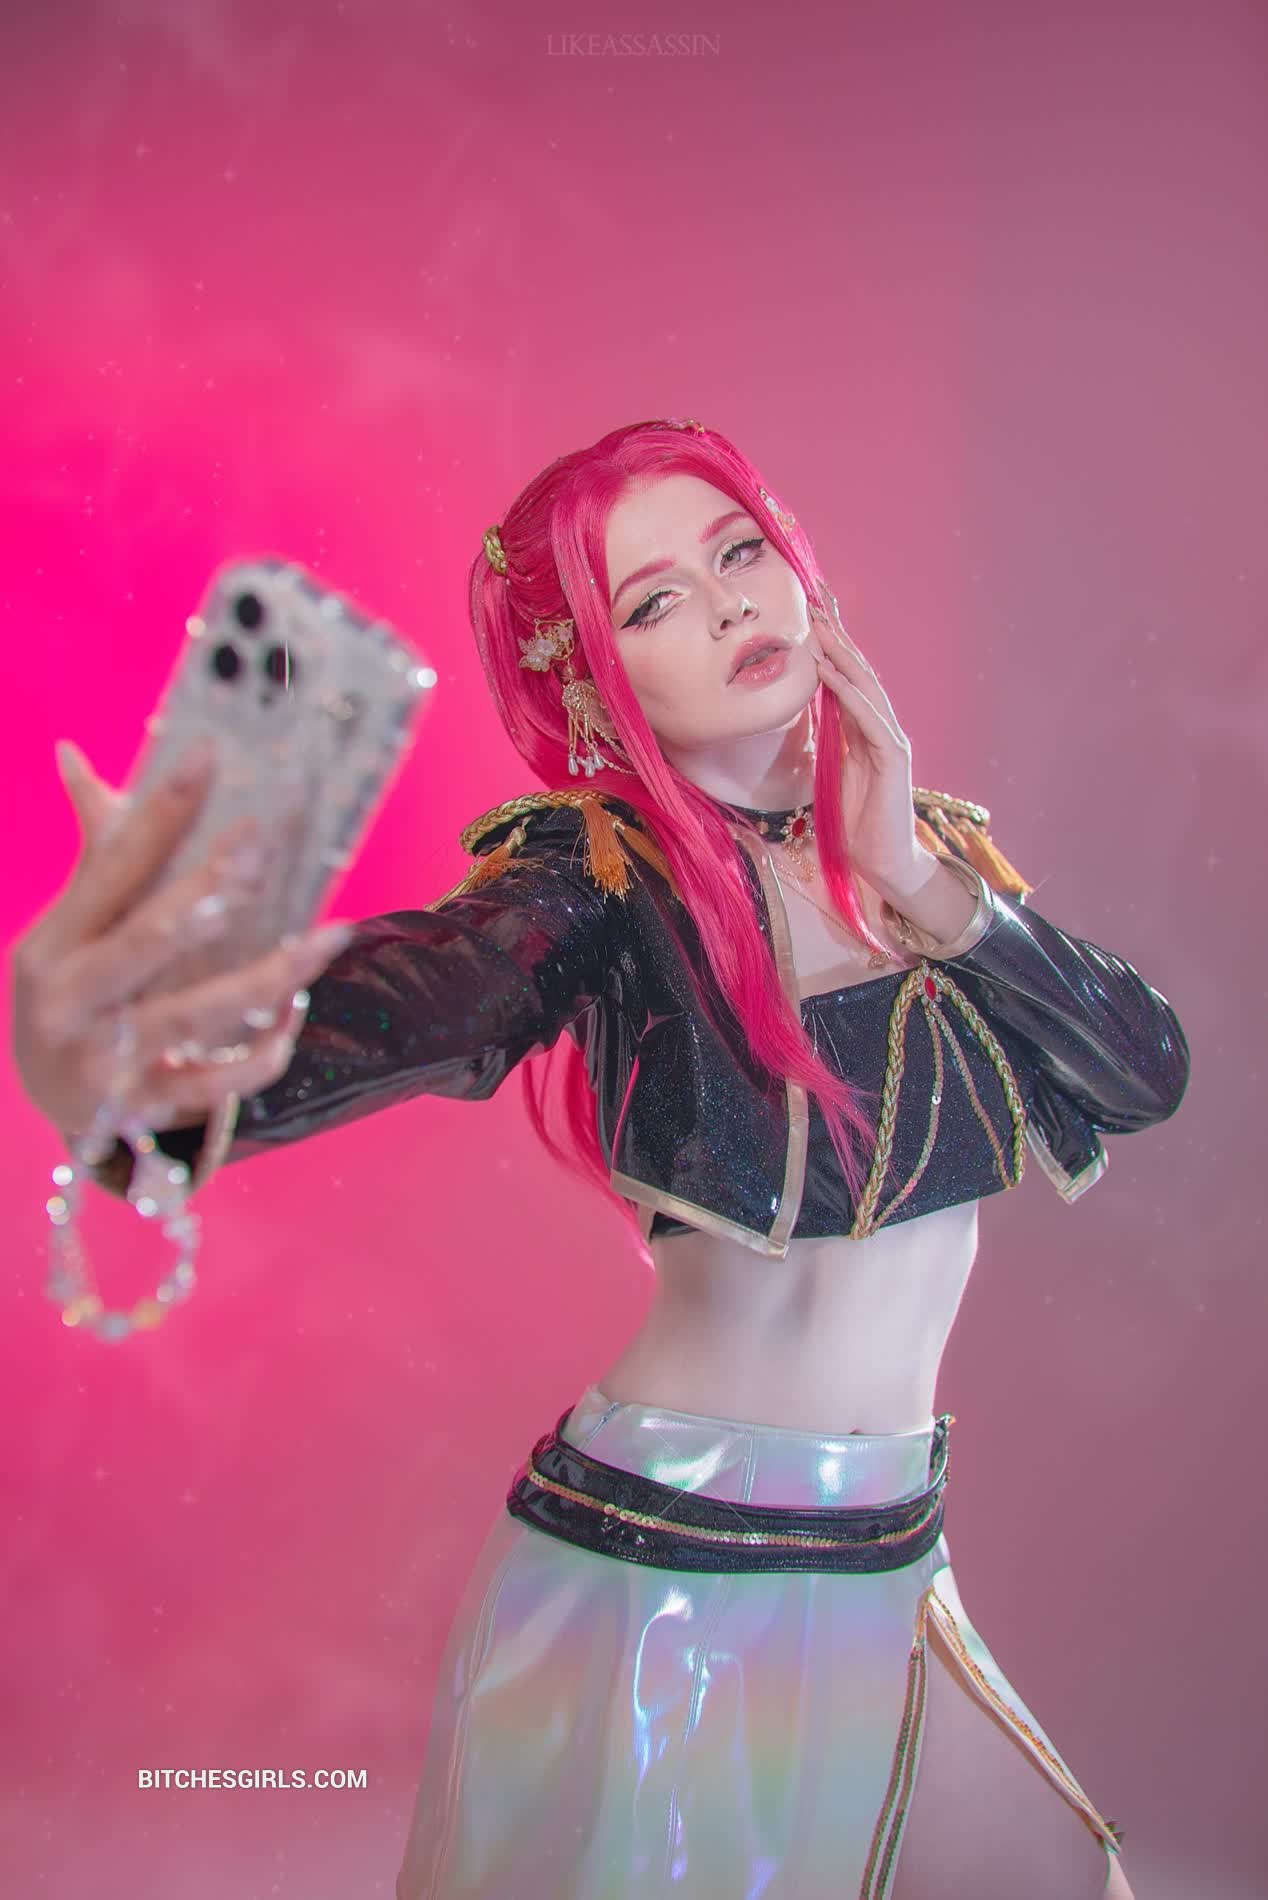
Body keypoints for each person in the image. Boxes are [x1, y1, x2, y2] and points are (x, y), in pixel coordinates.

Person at [11, 418, 1189, 1899]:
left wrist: (911, 873)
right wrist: (143, 1076)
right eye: (652, 602)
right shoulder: (601, 874)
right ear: (589, 679)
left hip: (892, 1553)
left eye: (739, 551)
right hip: (673, 1576)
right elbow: (438, 995)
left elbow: (1142, 1074)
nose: (728, 603)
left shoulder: (923, 854)